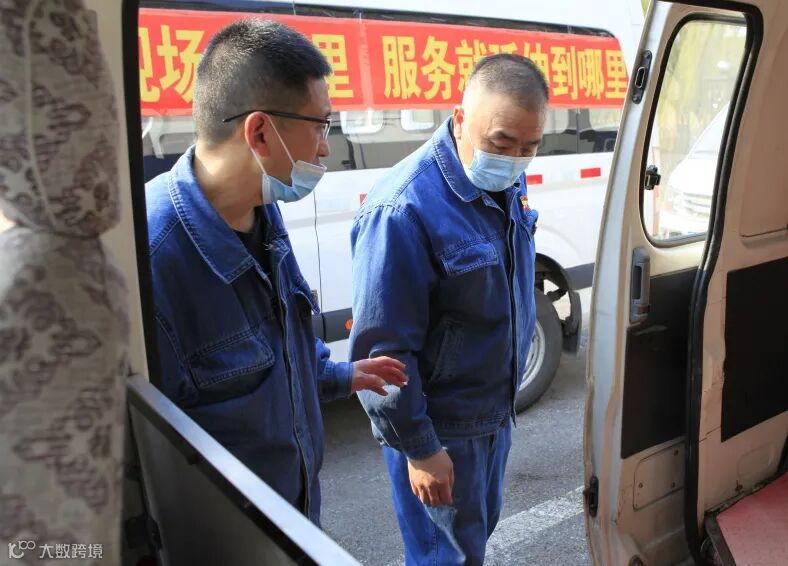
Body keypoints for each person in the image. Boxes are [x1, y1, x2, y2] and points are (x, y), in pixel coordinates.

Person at [145, 19, 406, 525]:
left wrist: (340, 375)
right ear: (260, 132)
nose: (325, 147)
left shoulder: (261, 209)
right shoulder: (156, 262)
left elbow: (273, 353)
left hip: (295, 516)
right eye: (320, 126)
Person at [349, 54, 547, 564]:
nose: (514, 159)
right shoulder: (402, 209)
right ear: (459, 119)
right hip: (443, 431)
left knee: (470, 549)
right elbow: (383, 353)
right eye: (501, 143)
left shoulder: (506, 182)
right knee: (444, 558)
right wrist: (420, 448)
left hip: (491, 419)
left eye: (529, 147)